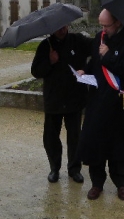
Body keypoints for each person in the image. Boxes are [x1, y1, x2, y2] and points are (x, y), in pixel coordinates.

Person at [76, 9, 124, 201]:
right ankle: (97, 183)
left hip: (120, 102)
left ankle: (121, 183)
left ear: (118, 22)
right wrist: (84, 71)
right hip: (98, 100)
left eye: (106, 25)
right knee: (96, 142)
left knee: (118, 144)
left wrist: (109, 55)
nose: (103, 29)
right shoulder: (100, 37)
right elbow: (96, 64)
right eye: (101, 25)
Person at [30, 25, 93, 184]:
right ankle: (54, 168)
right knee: (51, 137)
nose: (62, 29)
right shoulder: (46, 45)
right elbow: (36, 71)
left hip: (75, 98)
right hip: (54, 100)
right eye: (58, 27)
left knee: (75, 137)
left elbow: (95, 51)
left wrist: (85, 69)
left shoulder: (78, 40)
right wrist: (50, 62)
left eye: (64, 26)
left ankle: (74, 169)